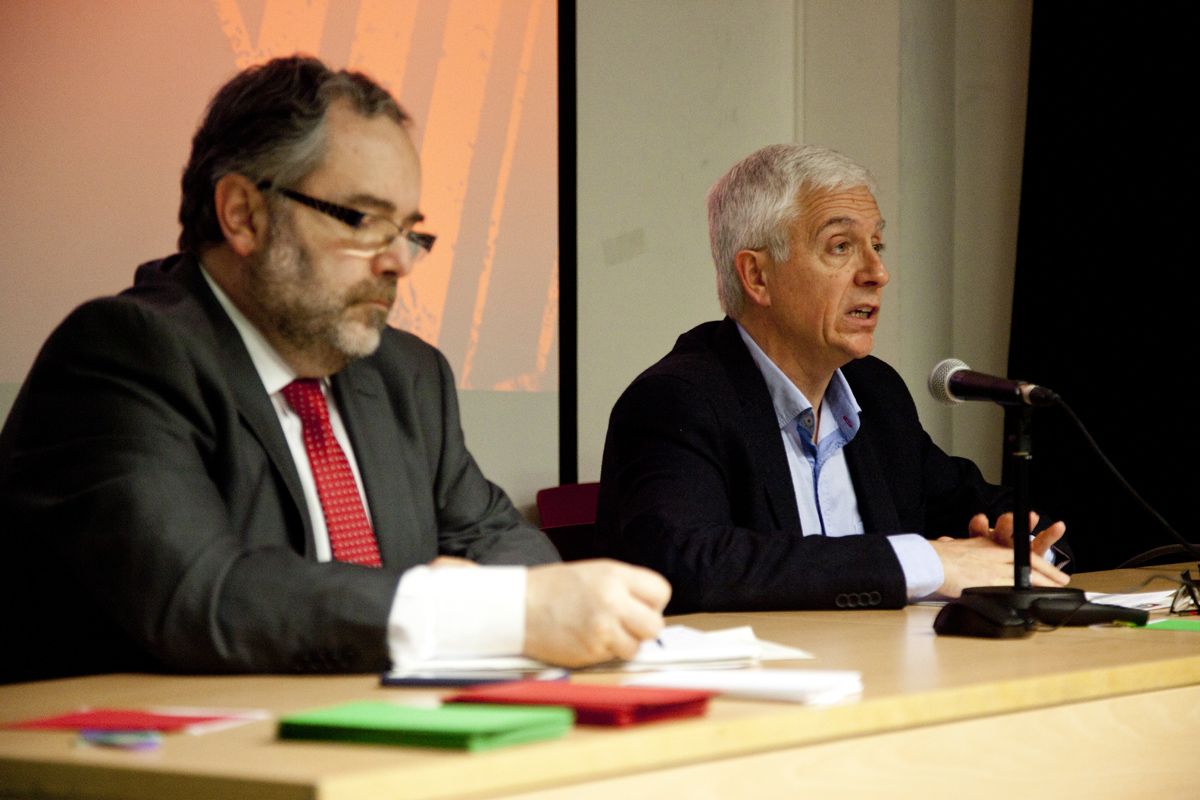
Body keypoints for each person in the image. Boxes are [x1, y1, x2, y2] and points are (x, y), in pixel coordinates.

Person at [0, 56, 668, 684]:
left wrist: (516, 599)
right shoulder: (125, 355)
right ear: (244, 213)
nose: (399, 261)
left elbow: (509, 549)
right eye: (364, 220)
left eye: (408, 229)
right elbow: (204, 597)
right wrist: (478, 612)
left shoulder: (408, 377)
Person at [594, 143, 1068, 613]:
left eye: (877, 245)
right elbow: (687, 564)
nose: (878, 272)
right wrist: (929, 561)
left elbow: (982, 505)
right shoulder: (678, 400)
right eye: (841, 247)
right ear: (757, 276)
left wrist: (1018, 547)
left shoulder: (874, 392)